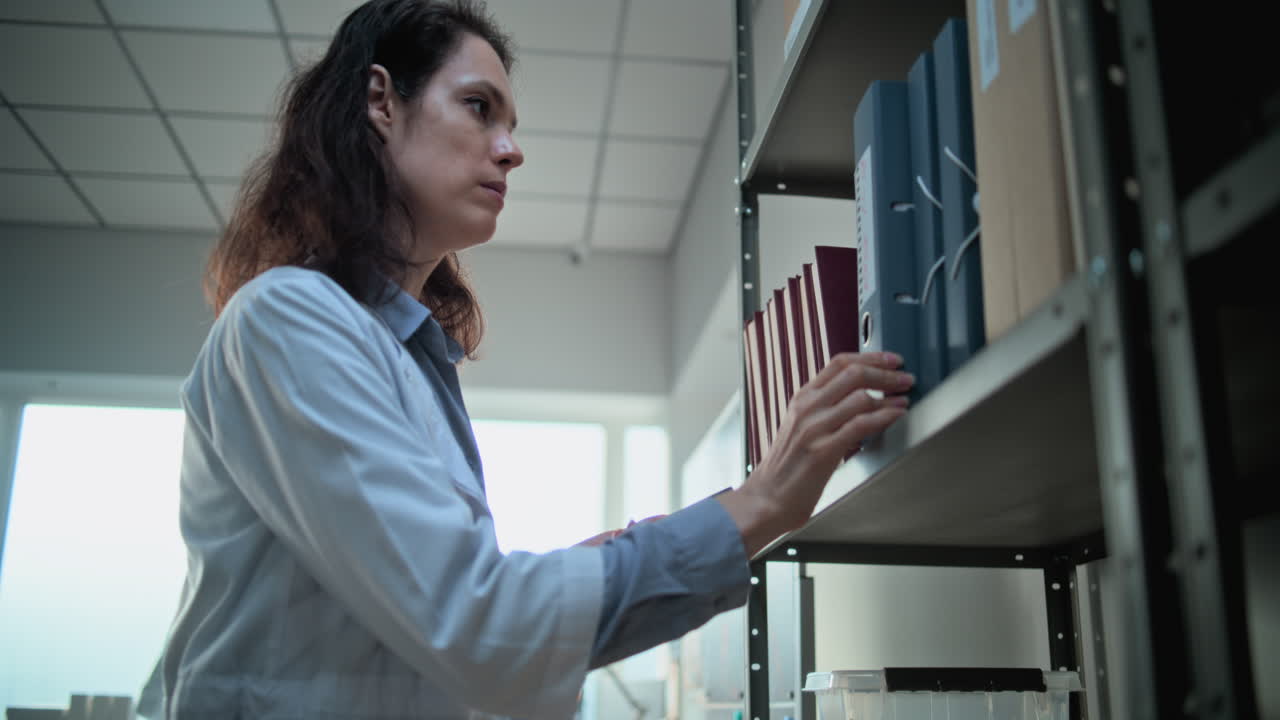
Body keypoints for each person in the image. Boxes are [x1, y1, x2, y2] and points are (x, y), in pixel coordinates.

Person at [137, 0, 914, 717]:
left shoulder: (405, 354)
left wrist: (567, 581)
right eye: (479, 108)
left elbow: (436, 619)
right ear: (381, 102)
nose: (511, 151)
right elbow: (475, 628)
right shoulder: (289, 318)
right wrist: (759, 505)